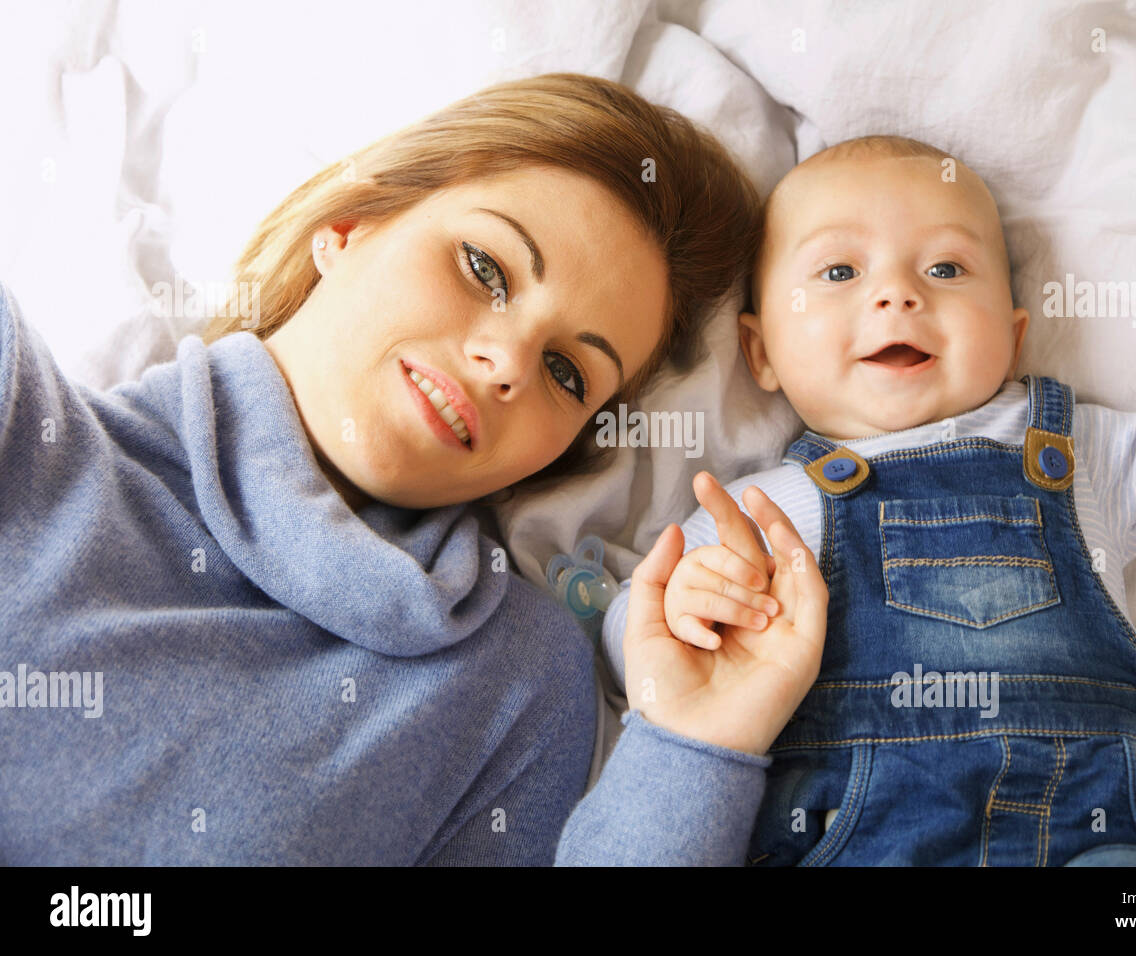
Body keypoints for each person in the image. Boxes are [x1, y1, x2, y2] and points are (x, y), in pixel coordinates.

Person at [0, 72, 826, 866]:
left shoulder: (512, 687)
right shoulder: (22, 419)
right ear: (351, 224)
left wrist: (694, 749)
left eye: (567, 373)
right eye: (485, 268)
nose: (504, 361)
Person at [594, 134, 1136, 866]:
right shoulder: (769, 509)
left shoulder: (1083, 453)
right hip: (858, 836)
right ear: (761, 352)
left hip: (1096, 821)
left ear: (1015, 336)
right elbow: (638, 639)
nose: (898, 293)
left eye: (946, 267)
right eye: (839, 270)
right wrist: (688, 608)